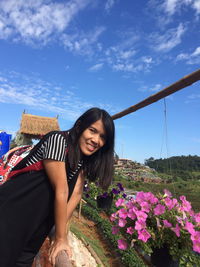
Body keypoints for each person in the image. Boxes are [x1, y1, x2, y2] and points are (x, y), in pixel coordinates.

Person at [0, 107, 115, 267]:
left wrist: (58, 230)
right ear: (79, 125)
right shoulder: (57, 140)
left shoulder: (81, 161)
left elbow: (76, 194)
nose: (96, 140)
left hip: (35, 230)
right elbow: (62, 190)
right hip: (10, 217)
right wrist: (60, 238)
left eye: (103, 137)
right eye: (92, 130)